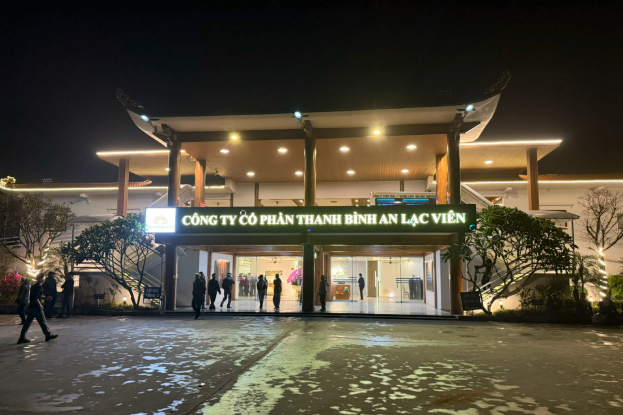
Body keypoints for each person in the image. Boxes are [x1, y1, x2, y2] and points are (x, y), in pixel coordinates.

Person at [17, 272, 58, 344]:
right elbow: (36, 298)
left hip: (31, 307)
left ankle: (22, 337)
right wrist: (40, 305)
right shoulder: (38, 287)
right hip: (36, 308)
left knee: (27, 323)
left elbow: (37, 296)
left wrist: (45, 298)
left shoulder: (34, 286)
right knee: (43, 321)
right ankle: (48, 335)